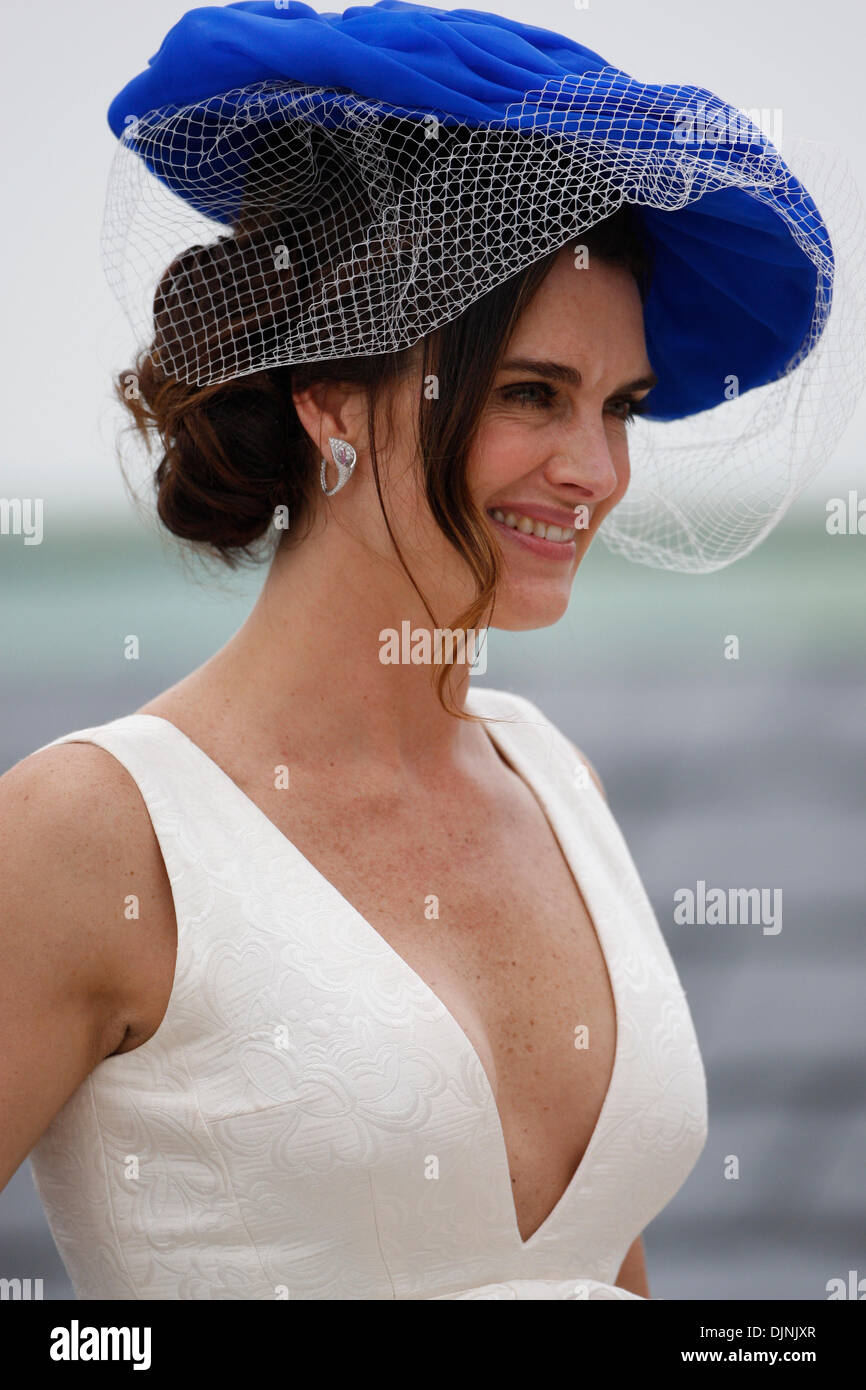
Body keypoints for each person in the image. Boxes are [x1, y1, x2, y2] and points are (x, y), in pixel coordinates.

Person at [0, 0, 860, 1300]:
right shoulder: (89, 837)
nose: (595, 471)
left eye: (617, 406)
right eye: (528, 393)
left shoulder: (553, 778)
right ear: (330, 396)